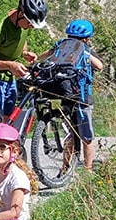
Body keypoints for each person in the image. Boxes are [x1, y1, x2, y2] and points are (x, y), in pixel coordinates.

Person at [38, 19, 103, 171]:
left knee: (70, 133)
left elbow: (43, 56)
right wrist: (85, 51)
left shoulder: (61, 45)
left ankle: (65, 168)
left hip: (65, 94)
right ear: (87, 38)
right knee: (87, 137)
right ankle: (87, 169)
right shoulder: (85, 48)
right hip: (82, 97)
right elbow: (99, 66)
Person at [0, 0, 48, 121]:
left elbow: (22, 38)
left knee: (9, 119)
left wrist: (25, 52)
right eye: (29, 23)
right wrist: (10, 65)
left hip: (10, 77)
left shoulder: (24, 25)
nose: (30, 27)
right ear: (20, 14)